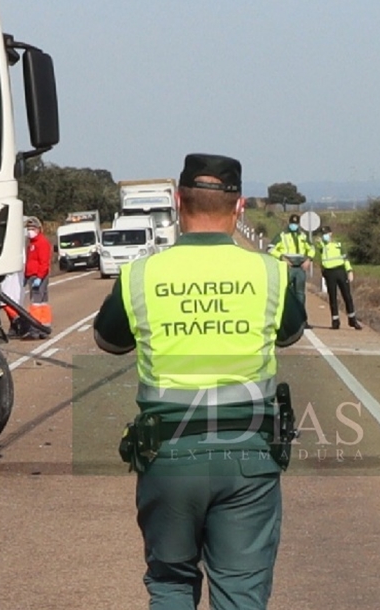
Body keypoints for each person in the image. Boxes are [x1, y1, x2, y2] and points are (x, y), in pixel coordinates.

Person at [94, 153, 306, 610]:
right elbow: (290, 332)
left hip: (168, 456)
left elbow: (108, 341)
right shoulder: (268, 273)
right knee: (241, 593)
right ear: (240, 207)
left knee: (170, 583)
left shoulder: (140, 276)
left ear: (177, 201)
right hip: (248, 457)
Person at [316, 226, 362, 330]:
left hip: (340, 271)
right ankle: (335, 321)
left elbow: (345, 259)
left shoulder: (338, 245)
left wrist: (349, 271)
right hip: (329, 273)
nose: (324, 236)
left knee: (347, 296)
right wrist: (319, 241)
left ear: (331, 233)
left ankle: (352, 320)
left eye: (326, 234)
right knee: (332, 297)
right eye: (323, 234)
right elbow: (319, 245)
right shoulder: (322, 245)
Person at [269, 213, 315, 307]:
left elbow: (311, 248)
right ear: (289, 223)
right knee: (286, 292)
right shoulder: (282, 235)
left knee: (300, 294)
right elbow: (270, 248)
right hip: (287, 268)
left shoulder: (303, 236)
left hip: (300, 268)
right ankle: (286, 316)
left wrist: (309, 259)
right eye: (292, 223)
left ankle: (300, 317)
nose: (294, 225)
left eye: (296, 223)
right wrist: (282, 257)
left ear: (298, 224)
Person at [23, 216, 52, 339]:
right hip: (32, 275)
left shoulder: (42, 243)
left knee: (36, 303)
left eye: (32, 228)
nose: (30, 230)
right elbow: (30, 261)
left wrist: (39, 277)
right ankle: (44, 327)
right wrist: (26, 275)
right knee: (42, 303)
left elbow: (44, 263)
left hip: (38, 276)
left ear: (38, 229)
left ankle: (35, 329)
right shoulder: (32, 244)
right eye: (28, 228)